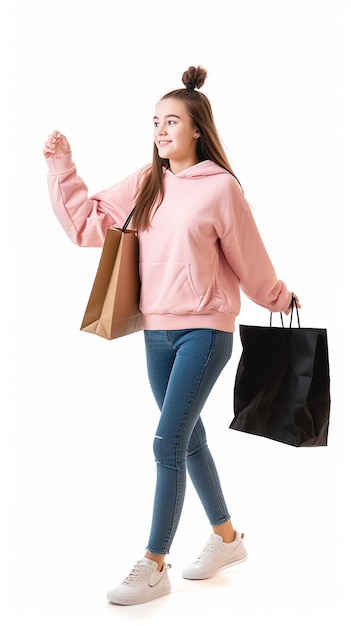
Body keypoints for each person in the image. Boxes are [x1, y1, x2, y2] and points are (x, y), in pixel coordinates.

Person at [43, 65, 300, 606]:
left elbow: (249, 258)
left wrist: (276, 296)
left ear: (197, 129)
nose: (160, 131)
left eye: (171, 122)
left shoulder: (221, 189)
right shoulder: (147, 181)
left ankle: (154, 563)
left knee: (166, 441)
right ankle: (228, 539)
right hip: (155, 333)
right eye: (155, 122)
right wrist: (61, 165)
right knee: (188, 438)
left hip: (205, 330)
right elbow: (86, 225)